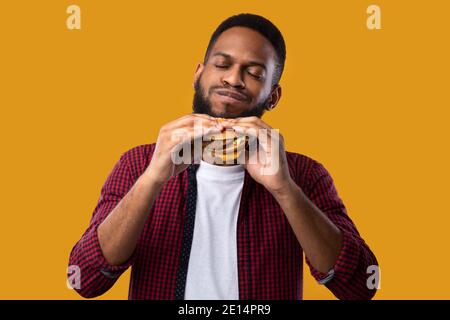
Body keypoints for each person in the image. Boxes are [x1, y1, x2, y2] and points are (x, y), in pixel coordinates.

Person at [68, 13, 378, 300]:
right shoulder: (138, 163)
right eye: (222, 65)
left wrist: (285, 189)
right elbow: (85, 279)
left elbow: (362, 285)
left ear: (273, 95)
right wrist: (151, 179)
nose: (233, 79)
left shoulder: (303, 174)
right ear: (198, 74)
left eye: (254, 72)